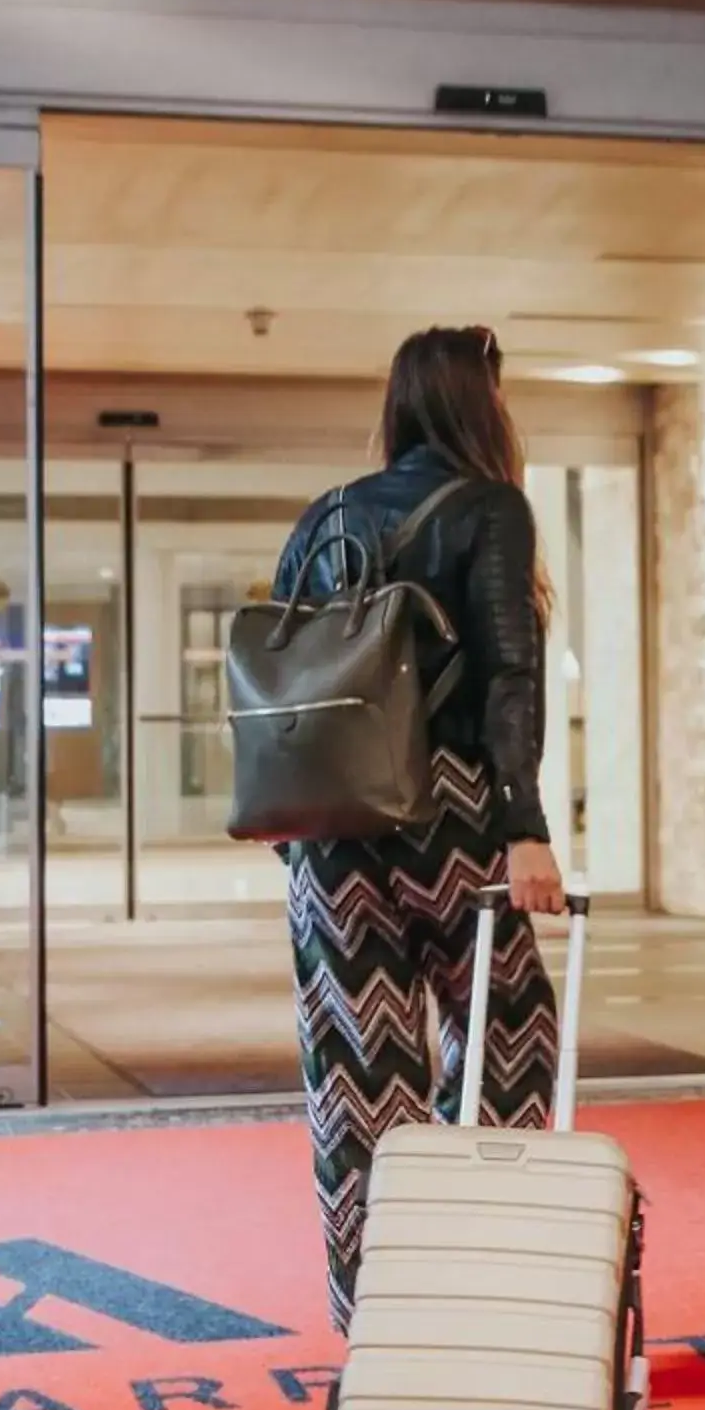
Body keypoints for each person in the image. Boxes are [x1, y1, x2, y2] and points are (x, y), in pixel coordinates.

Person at [271, 324, 570, 1332]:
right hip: (442, 810)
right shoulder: (490, 506)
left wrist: (294, 818)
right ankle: (468, 1268)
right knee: (512, 1036)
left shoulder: (324, 516)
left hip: (326, 825)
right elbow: (509, 676)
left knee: (359, 1075)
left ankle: (380, 1322)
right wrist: (526, 826)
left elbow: (284, 682)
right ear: (481, 405)